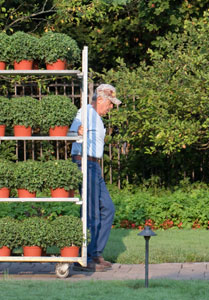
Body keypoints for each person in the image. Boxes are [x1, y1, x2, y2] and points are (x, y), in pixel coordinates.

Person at [70, 84, 121, 271]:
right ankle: (85, 258)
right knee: (92, 212)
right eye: (110, 103)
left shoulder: (98, 118)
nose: (111, 107)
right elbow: (71, 133)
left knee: (107, 208)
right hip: (84, 164)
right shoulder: (85, 112)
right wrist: (77, 132)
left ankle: (96, 253)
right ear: (100, 99)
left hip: (94, 166)